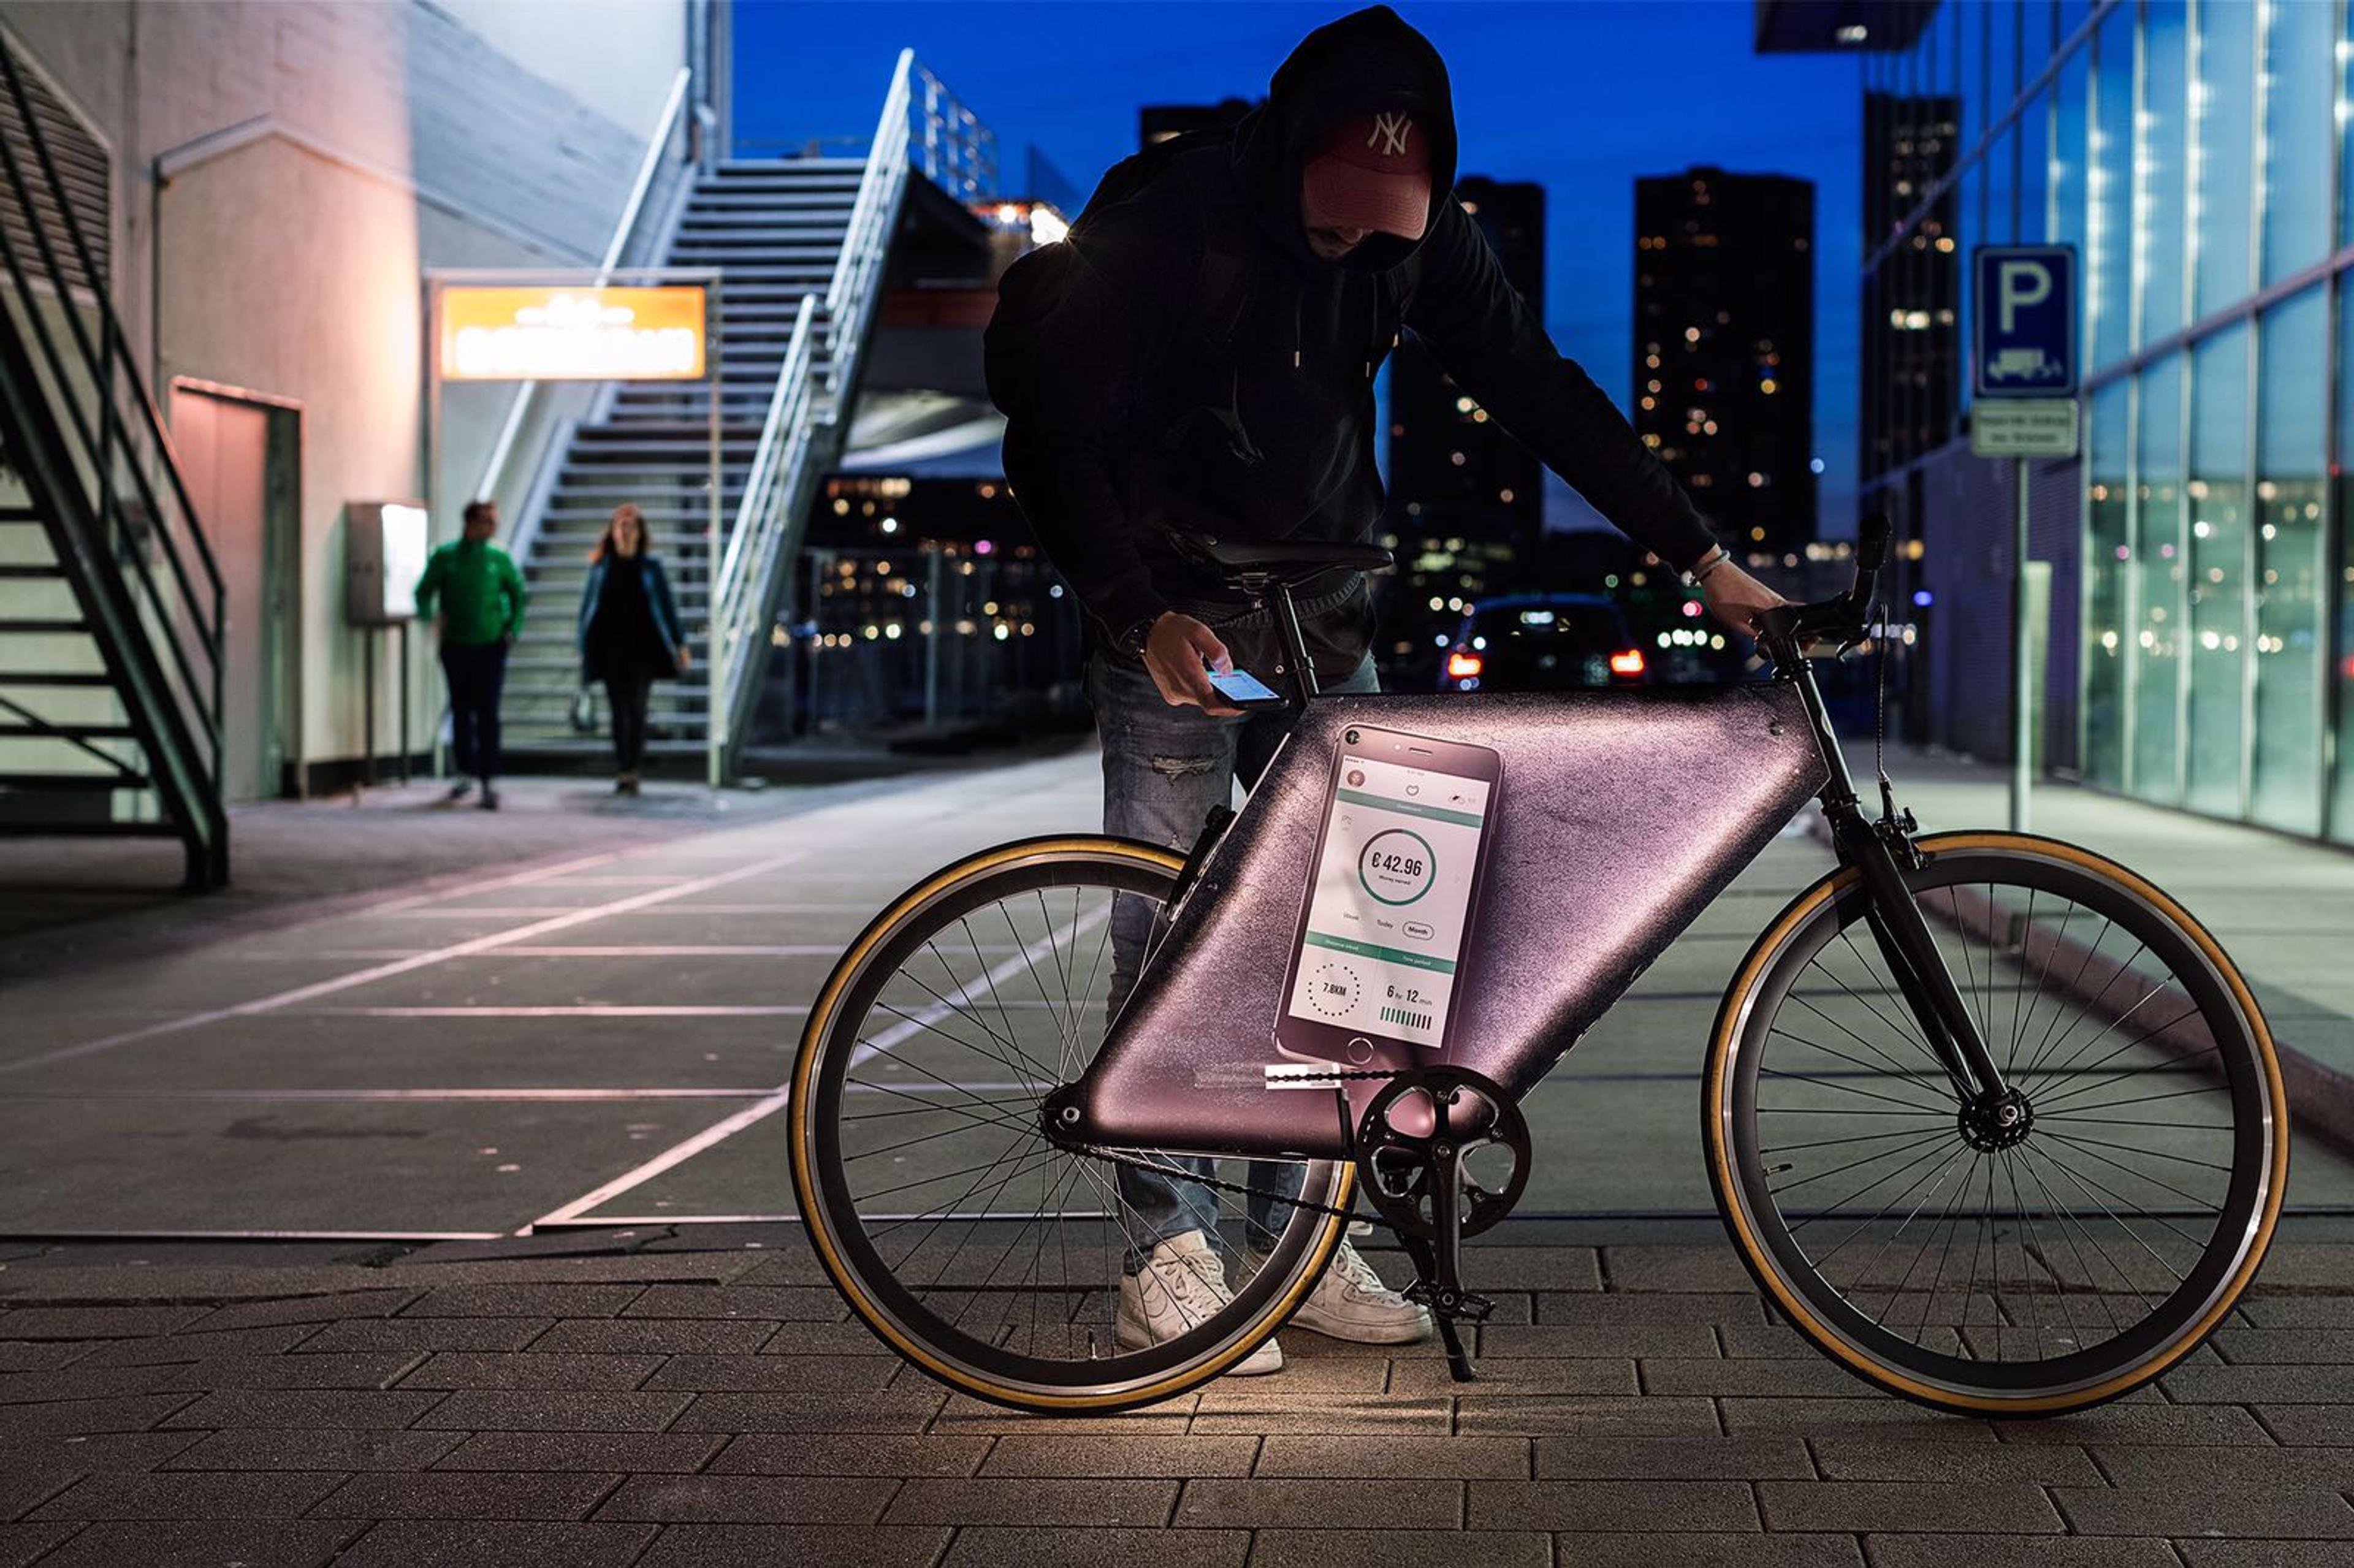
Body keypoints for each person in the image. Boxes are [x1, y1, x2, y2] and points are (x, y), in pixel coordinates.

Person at [992, 5, 1785, 1374]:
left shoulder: (1424, 246)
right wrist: (1138, 611)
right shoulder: (1171, 213)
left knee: (1363, 942)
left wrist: (1702, 556)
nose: (1357, 240)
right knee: (1166, 930)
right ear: (1288, 149)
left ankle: (1299, 1247)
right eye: (1338, 212)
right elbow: (1047, 430)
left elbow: (1541, 392)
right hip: (1173, 615)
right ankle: (1164, 1256)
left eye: (1388, 222)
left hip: (1327, 612)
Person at [415, 499, 527, 810]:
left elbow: (518, 595)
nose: (493, 528)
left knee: (488, 710)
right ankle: (465, 771)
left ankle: (490, 778)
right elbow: (423, 591)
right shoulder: (447, 557)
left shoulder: (498, 558)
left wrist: (512, 629)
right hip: (457, 645)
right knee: (462, 709)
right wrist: (431, 618)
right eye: (487, 522)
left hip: (491, 645)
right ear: (471, 523)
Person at [577, 503, 691, 794]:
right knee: (618, 711)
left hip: (644, 650)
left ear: (640, 533)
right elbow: (587, 609)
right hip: (610, 649)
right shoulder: (601, 566)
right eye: (621, 526)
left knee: (637, 709)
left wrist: (680, 645)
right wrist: (583, 646)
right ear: (613, 532)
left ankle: (634, 767)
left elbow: (667, 608)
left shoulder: (651, 567)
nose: (626, 532)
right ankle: (623, 769)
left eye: (632, 527)